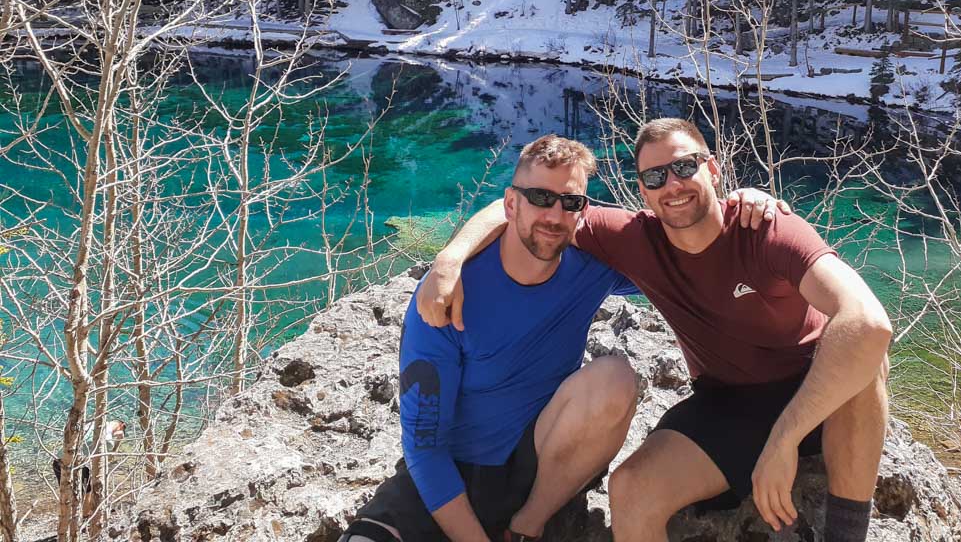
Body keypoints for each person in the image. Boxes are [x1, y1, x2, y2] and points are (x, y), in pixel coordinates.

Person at [418, 118, 892, 542]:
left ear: (714, 168)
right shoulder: (634, 239)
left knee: (861, 359)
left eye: (685, 167)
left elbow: (868, 323)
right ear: (642, 190)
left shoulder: (767, 229)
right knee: (630, 489)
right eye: (654, 176)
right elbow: (523, 207)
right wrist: (451, 257)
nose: (672, 185)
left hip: (815, 392)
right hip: (729, 404)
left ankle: (847, 533)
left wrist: (784, 439)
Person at [340, 133, 783, 542]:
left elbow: (687, 237)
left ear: (583, 209)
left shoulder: (594, 263)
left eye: (569, 202)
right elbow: (424, 449)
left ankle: (529, 526)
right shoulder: (447, 295)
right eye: (539, 198)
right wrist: (451, 256)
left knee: (614, 377)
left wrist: (743, 208)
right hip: (449, 478)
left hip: (540, 464)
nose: (554, 215)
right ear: (511, 205)